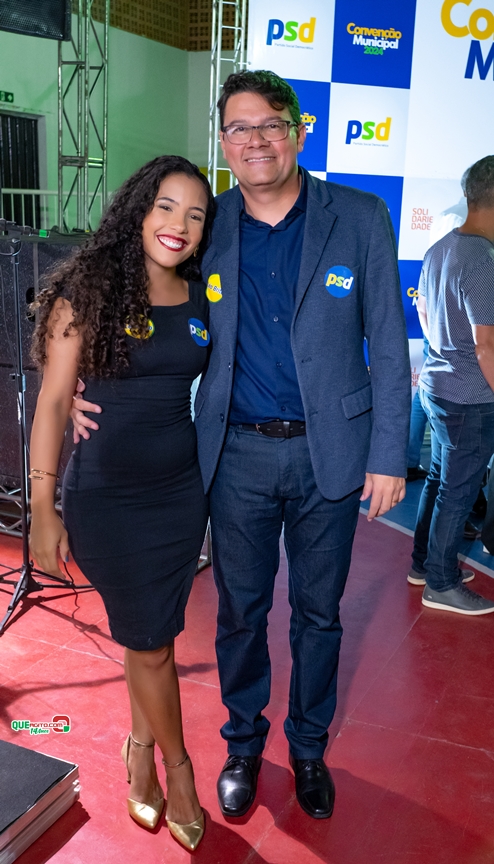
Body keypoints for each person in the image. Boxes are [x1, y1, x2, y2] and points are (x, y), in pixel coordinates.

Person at [73, 70, 411, 820]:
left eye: (270, 124)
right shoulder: (206, 222)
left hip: (331, 454)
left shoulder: (358, 216)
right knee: (239, 612)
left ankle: (309, 747)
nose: (256, 139)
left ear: (298, 131)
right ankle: (243, 743)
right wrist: (72, 383)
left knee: (319, 614)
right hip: (233, 455)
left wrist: (389, 453)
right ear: (224, 142)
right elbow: (120, 289)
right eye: (239, 128)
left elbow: (389, 341)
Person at [29, 155, 216, 851]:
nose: (178, 224)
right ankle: (179, 771)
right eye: (166, 206)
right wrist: (42, 507)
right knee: (151, 642)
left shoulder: (201, 293)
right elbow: (54, 403)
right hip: (107, 498)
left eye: (195, 214)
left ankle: (139, 747)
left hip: (180, 496)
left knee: (152, 637)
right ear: (138, 209)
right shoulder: (89, 289)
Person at [410, 155, 494, 614]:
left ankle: (424, 565)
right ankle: (441, 583)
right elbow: (486, 348)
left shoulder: (441, 248)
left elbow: (425, 314)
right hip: (470, 398)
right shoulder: (482, 261)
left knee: (440, 481)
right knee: (457, 492)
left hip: (438, 387)